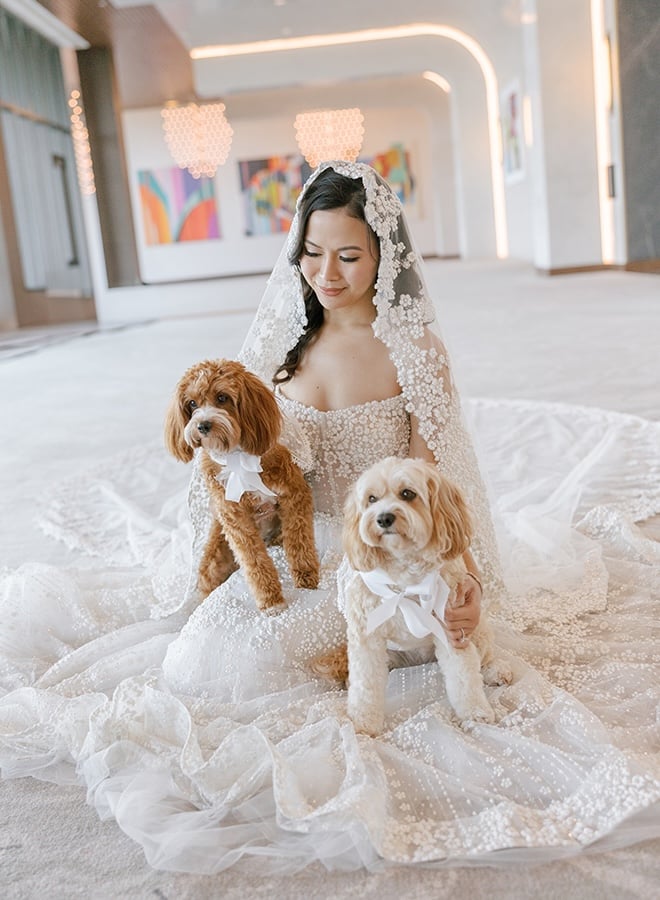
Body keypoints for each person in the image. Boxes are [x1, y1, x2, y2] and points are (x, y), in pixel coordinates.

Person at [0, 161, 659, 876]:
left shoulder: (413, 352)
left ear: (384, 256)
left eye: (348, 255)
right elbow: (243, 459)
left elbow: (432, 487)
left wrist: (460, 580)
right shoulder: (281, 348)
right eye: (312, 254)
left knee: (249, 664)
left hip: (373, 554)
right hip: (292, 539)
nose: (327, 273)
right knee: (193, 657)